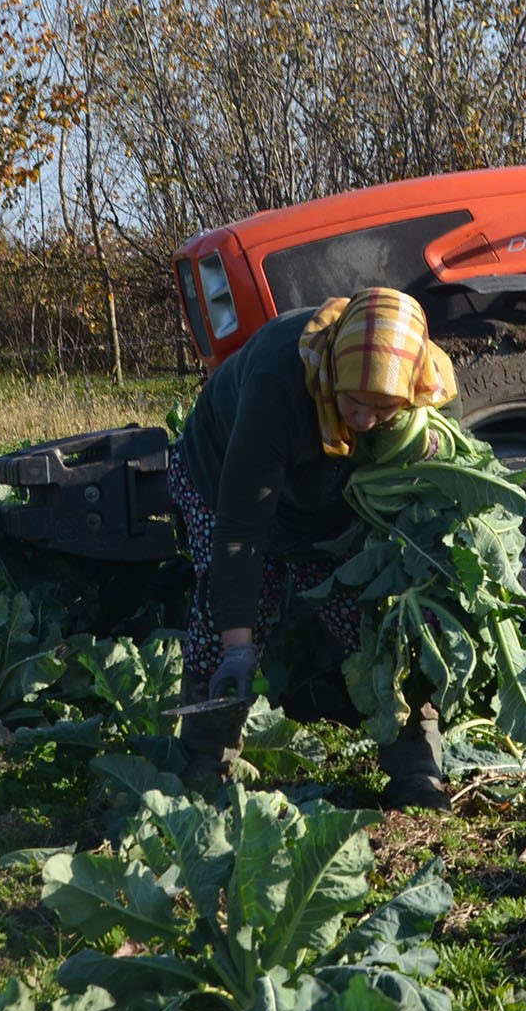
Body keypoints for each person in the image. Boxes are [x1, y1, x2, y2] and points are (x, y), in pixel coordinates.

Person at [167, 286, 460, 809]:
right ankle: (204, 762)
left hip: (323, 494)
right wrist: (239, 647)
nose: (367, 421)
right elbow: (239, 533)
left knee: (375, 615)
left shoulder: (420, 389)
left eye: (384, 411)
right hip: (223, 480)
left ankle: (417, 764)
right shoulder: (278, 386)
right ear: (332, 379)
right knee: (230, 612)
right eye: (355, 405)